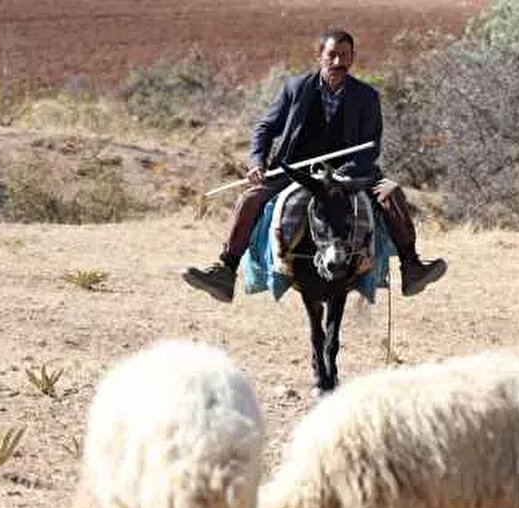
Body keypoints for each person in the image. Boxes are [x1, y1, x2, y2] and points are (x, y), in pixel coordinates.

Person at [182, 28, 447, 303]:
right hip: (294, 172)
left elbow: (370, 147)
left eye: (344, 56)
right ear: (319, 56)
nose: (337, 62)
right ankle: (225, 271)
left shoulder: (366, 96)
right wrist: (257, 162)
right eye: (331, 55)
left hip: (350, 174)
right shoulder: (295, 89)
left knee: (391, 193)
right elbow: (264, 128)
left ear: (353, 57)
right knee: (249, 199)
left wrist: (341, 175)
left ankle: (411, 267)